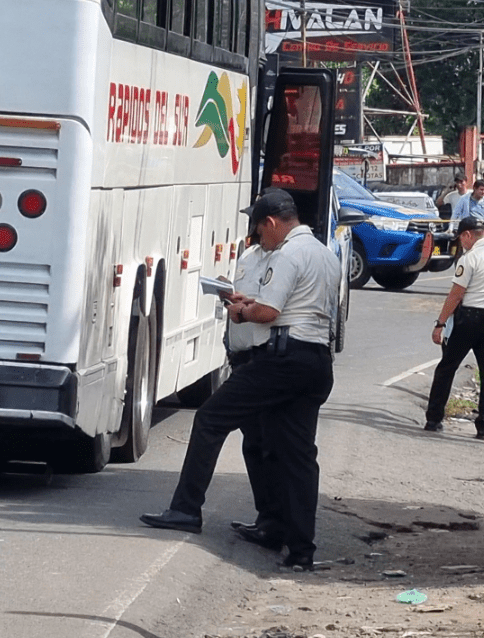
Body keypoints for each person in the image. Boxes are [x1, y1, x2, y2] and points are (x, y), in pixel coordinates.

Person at [141, 188, 340, 570]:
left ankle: (186, 509)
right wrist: (251, 303)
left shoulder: (288, 254)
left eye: (258, 228)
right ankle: (299, 547)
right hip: (316, 360)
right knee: (296, 455)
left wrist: (240, 313)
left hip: (282, 359)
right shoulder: (324, 254)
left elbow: (269, 312)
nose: (258, 237)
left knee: (211, 418)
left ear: (271, 222)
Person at [424, 217, 484, 440]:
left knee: (447, 367)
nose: (462, 243)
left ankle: (434, 419)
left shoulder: (470, 258)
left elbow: (456, 294)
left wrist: (440, 323)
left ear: (468, 235)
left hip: (468, 318)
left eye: (462, 238)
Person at [219, 240, 283, 551]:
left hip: (262, 358)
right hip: (240, 353)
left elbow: (270, 307)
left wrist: (245, 309)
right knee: (253, 443)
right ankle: (266, 518)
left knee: (265, 442)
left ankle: (274, 522)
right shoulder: (249, 255)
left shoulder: (285, 258)